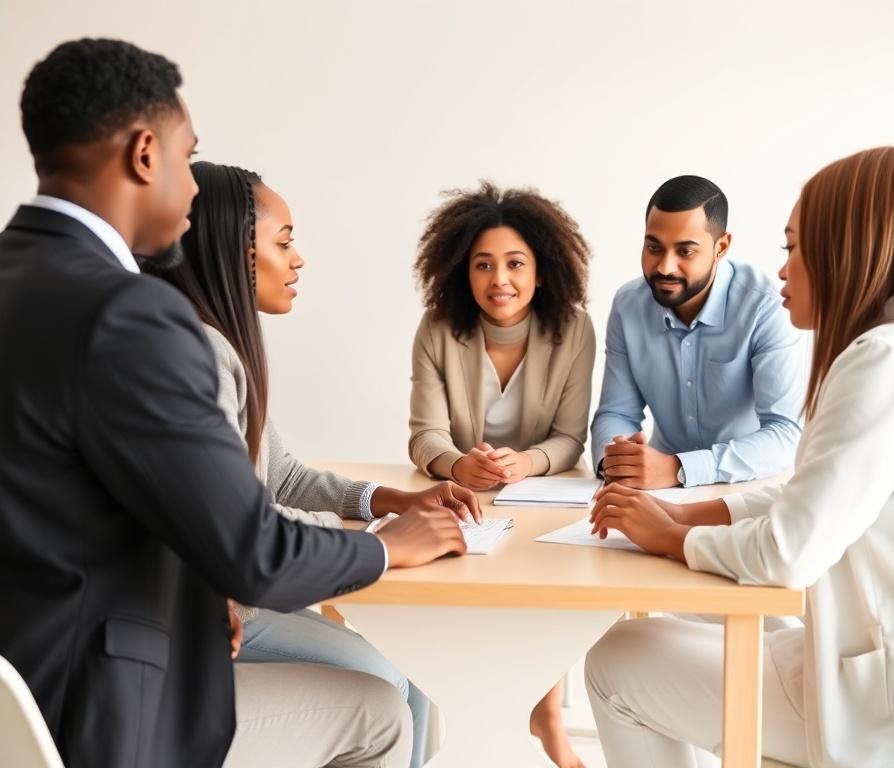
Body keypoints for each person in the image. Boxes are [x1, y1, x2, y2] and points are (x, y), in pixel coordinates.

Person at [0, 38, 468, 768]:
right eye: (188, 159)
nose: (192, 189)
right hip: (102, 710)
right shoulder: (132, 318)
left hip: (20, 688)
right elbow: (257, 555)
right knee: (380, 711)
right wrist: (387, 546)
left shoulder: (18, 278)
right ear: (144, 154)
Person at [585, 133, 894, 767]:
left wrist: (670, 539)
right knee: (704, 622)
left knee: (618, 659)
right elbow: (818, 491)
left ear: (847, 250)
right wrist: (693, 515)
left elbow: (787, 554)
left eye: (794, 247)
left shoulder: (884, 363)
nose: (783, 270)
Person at [147, 161, 483, 768]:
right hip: (202, 621)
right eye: (283, 242)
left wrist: (387, 502)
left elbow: (284, 478)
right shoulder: (198, 351)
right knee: (392, 695)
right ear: (232, 251)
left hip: (224, 607)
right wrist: (387, 542)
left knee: (407, 683)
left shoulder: (220, 343)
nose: (298, 259)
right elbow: (243, 527)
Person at [409, 181, 595, 767]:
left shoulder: (573, 328)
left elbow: (570, 439)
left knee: (555, 585)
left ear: (542, 271)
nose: (499, 281)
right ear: (462, 272)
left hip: (545, 497)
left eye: (516, 264)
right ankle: (449, 723)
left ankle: (547, 717)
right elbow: (424, 435)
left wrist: (527, 462)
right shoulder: (438, 327)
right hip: (464, 496)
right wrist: (460, 463)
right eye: (483, 265)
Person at [590, 175, 806, 489]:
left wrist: (679, 468)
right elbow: (616, 411)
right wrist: (617, 456)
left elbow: (785, 435)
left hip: (747, 490)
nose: (665, 267)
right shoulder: (628, 306)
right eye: (654, 247)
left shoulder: (766, 307)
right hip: (660, 493)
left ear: (721, 247)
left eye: (685, 251)